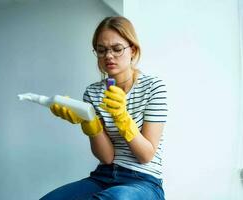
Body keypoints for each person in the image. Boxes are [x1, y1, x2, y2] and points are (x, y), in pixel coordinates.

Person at [40, 16, 168, 200]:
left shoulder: (153, 87)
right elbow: (107, 157)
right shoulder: (93, 93)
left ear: (132, 49)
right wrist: (90, 121)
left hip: (144, 181)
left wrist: (122, 118)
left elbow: (146, 155)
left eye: (117, 49)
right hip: (104, 176)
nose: (108, 56)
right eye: (101, 50)